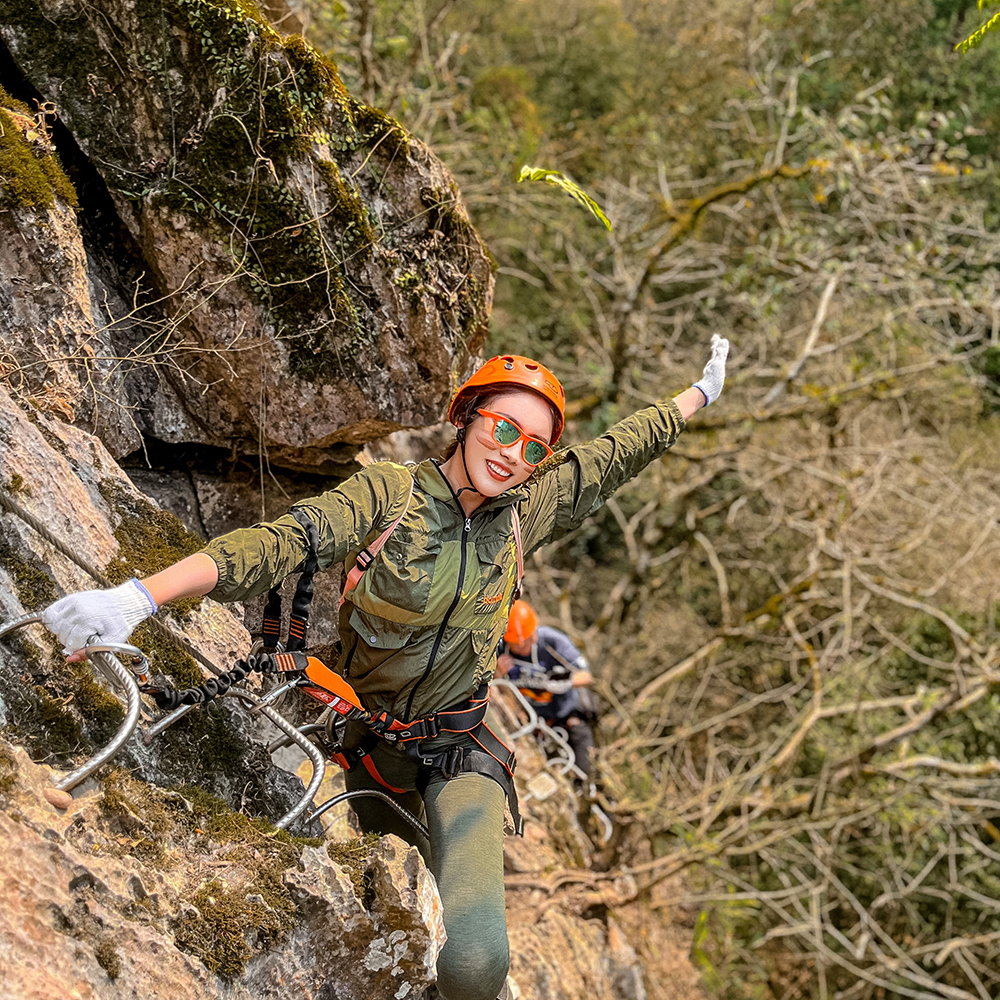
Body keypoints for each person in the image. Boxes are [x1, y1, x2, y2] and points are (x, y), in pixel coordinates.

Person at [39, 338, 730, 1000]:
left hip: (458, 755)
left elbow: (615, 453)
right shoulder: (388, 496)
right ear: (467, 417)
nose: (512, 453)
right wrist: (139, 596)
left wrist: (697, 394)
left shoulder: (526, 513)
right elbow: (283, 543)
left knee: (475, 963)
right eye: (502, 428)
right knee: (392, 918)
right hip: (362, 747)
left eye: (534, 446)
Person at [496, 600, 596, 782]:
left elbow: (586, 676)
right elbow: (491, 688)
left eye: (524, 642)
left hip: (565, 715)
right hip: (530, 722)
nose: (519, 647)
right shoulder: (501, 649)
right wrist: (497, 672)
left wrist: (567, 682)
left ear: (533, 633)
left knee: (584, 766)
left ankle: (590, 789)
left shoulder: (553, 642)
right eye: (515, 644)